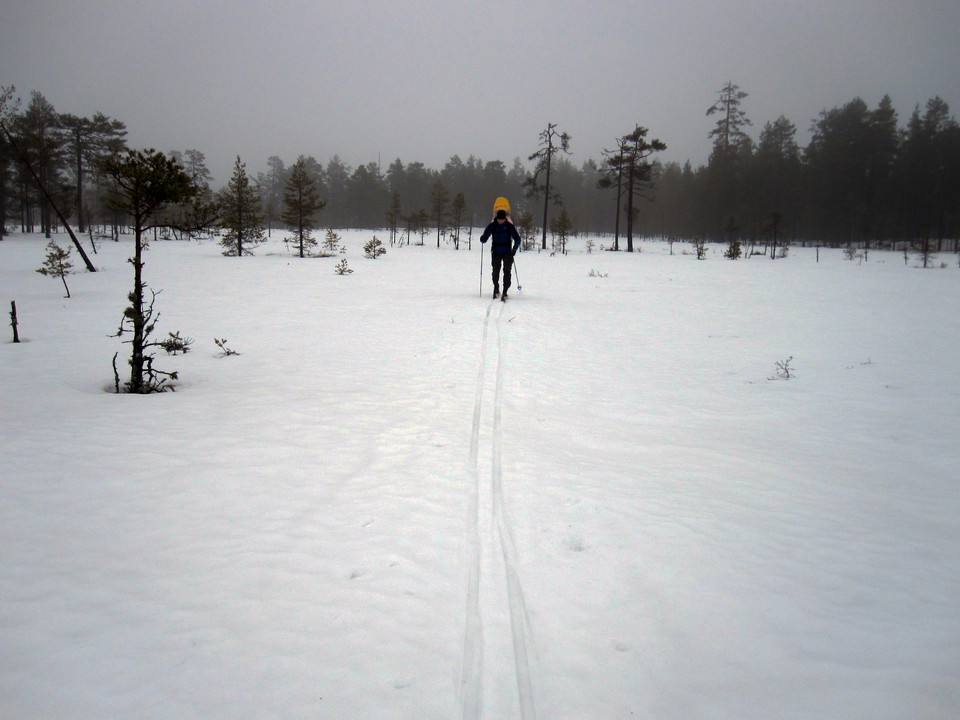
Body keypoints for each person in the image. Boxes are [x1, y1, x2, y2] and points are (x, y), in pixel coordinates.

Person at [480, 206, 521, 301]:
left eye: (502, 219)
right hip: (496, 251)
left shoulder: (509, 226)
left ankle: (505, 290)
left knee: (507, 271)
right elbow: (486, 235)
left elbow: (517, 239)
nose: (500, 221)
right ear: (497, 218)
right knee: (495, 272)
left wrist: (514, 249)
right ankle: (496, 287)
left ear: (505, 218)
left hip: (507, 252)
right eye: (499, 219)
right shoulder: (493, 225)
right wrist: (483, 238)